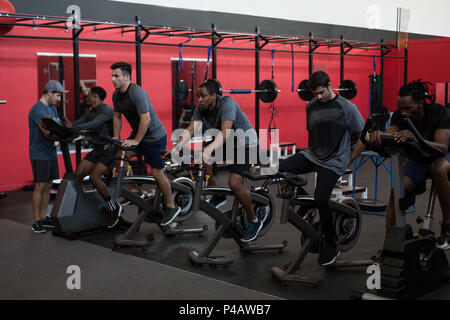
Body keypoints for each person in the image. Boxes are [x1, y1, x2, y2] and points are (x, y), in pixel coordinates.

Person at [351, 80, 450, 249]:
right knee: (397, 191)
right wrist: (380, 136)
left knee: (438, 168)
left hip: (441, 156)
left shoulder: (439, 113)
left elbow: (442, 147)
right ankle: (390, 244)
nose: (403, 113)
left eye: (408, 108)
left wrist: (415, 137)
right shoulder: (399, 115)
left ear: (420, 103)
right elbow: (391, 135)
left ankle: (447, 227)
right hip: (419, 159)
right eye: (400, 108)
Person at [279, 71, 365, 265]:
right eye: (315, 94)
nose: (318, 97)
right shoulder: (311, 106)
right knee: (279, 169)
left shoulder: (347, 108)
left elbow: (363, 136)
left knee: (321, 199)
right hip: (313, 155)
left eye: (320, 93)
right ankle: (305, 203)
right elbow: (315, 133)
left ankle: (331, 244)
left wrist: (348, 159)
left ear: (329, 85)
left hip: (334, 161)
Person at [166, 79, 263, 242]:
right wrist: (175, 148)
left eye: (203, 96)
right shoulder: (201, 108)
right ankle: (218, 194)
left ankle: (254, 220)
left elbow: (225, 132)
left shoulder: (227, 103)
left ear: (214, 96)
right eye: (198, 96)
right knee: (201, 155)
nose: (199, 100)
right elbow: (191, 129)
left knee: (234, 183)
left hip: (246, 143)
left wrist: (209, 150)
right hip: (229, 142)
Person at [110, 62, 180, 225]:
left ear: (127, 77)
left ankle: (171, 206)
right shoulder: (116, 95)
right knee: (121, 156)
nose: (113, 79)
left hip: (154, 136)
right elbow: (117, 116)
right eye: (112, 76)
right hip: (139, 134)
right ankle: (135, 190)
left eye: (116, 76)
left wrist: (136, 141)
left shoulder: (137, 92)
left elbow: (146, 118)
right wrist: (115, 137)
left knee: (157, 173)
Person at [64, 86, 121, 228]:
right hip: (97, 149)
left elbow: (93, 124)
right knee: (77, 175)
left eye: (88, 95)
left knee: (95, 177)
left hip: (109, 149)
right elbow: (79, 122)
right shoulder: (91, 111)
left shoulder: (106, 110)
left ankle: (114, 208)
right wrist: (67, 126)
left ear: (95, 96)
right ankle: (78, 210)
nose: (86, 98)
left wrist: (75, 128)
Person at [28, 80, 68, 233]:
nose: (59, 99)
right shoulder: (38, 109)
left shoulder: (52, 109)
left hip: (50, 152)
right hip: (39, 152)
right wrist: (62, 134)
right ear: (49, 92)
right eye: (58, 96)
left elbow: (58, 128)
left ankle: (44, 217)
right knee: (40, 185)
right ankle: (36, 221)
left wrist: (65, 131)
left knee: (49, 183)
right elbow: (46, 133)